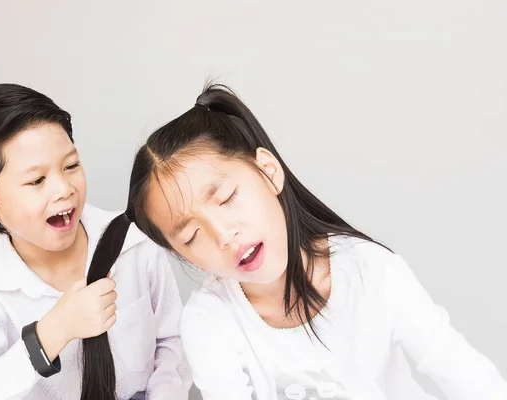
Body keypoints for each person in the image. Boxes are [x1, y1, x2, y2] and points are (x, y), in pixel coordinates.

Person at [89, 83, 507, 400]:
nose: (223, 235)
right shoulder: (210, 324)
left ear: (268, 171)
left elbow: (465, 373)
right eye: (193, 236)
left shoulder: (370, 271)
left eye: (227, 197)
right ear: (184, 257)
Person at [0, 83, 192, 400]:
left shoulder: (134, 243)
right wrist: (51, 333)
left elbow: (172, 342)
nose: (63, 188)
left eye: (71, 165)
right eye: (36, 180)